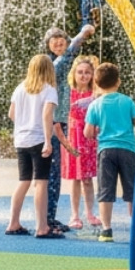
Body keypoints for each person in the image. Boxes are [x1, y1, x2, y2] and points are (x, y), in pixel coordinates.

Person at [83, 61, 135, 243]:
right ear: (118, 82)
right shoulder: (127, 101)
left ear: (96, 83)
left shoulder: (95, 105)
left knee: (105, 190)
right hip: (127, 149)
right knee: (132, 189)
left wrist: (97, 130)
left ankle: (106, 229)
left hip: (106, 151)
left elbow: (87, 132)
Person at [6, 54, 66, 238]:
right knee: (41, 182)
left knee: (23, 181)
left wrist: (24, 125)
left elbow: (11, 114)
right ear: (49, 70)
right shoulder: (48, 90)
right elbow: (47, 115)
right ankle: (42, 227)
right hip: (39, 139)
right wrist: (48, 141)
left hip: (21, 140)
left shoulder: (20, 88)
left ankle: (13, 223)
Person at [44, 23, 95, 233]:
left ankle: (49, 217)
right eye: (53, 39)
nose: (58, 41)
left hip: (59, 126)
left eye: (61, 38)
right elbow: (69, 54)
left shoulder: (49, 67)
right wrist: (83, 33)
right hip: (57, 127)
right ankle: (49, 218)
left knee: (51, 176)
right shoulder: (54, 66)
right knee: (53, 176)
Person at [63, 55, 100, 230]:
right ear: (74, 74)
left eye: (87, 72)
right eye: (80, 72)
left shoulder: (96, 94)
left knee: (87, 178)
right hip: (73, 138)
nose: (84, 76)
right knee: (76, 179)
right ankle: (75, 214)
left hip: (90, 137)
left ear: (92, 75)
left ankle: (90, 213)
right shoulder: (68, 92)